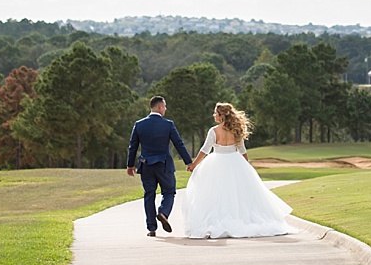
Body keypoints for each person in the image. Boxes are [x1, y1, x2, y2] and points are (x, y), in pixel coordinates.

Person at [182, 102, 294, 239]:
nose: (213, 115)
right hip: (235, 160)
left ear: (221, 116)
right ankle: (239, 218)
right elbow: (242, 150)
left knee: (218, 193)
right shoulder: (236, 130)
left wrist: (193, 165)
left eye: (215, 113)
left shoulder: (214, 131)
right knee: (237, 193)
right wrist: (246, 165)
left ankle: (220, 219)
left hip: (217, 161)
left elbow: (205, 150)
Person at [126, 95, 194, 237]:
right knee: (169, 191)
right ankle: (163, 212)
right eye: (164, 106)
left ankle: (151, 228)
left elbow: (133, 146)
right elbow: (178, 144)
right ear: (159, 107)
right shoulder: (168, 124)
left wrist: (130, 165)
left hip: (146, 165)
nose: (165, 108)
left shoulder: (139, 124)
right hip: (164, 165)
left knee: (149, 194)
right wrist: (189, 162)